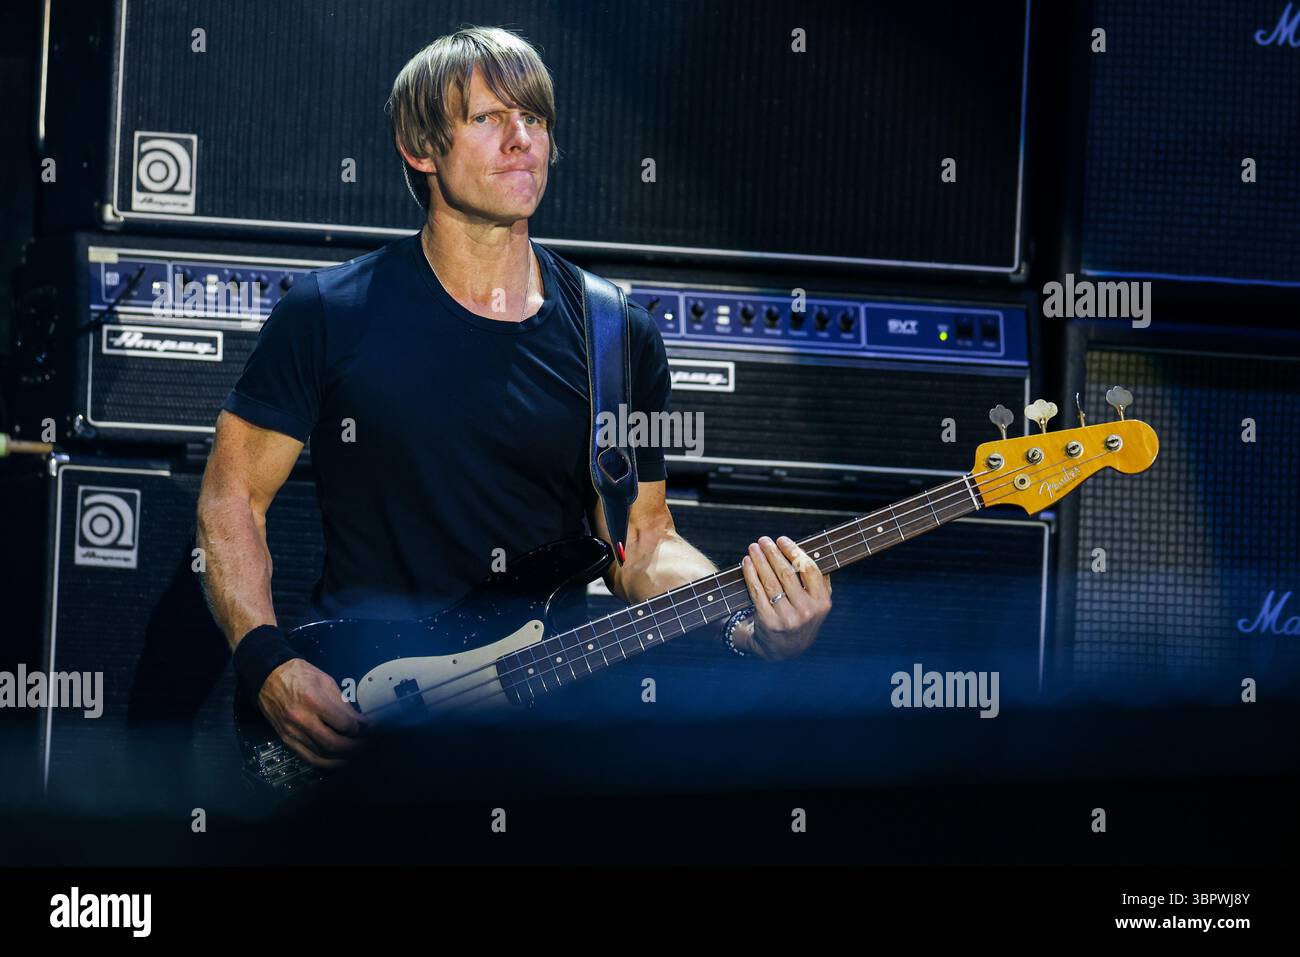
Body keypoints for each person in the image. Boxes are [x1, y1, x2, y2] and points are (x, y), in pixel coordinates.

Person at [196, 25, 831, 770]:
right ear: (421, 147)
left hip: (538, 733)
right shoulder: (328, 312)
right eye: (487, 118)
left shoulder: (618, 335)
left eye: (533, 118)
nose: (520, 138)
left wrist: (748, 620)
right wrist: (269, 662)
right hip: (366, 712)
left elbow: (643, 542)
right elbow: (231, 498)